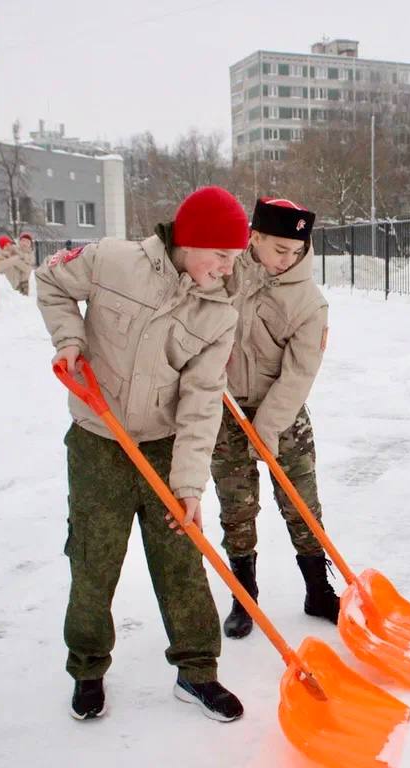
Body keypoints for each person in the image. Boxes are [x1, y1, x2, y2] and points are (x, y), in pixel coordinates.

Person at [35, 185, 249, 724]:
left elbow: (202, 402)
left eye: (235, 257)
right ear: (190, 241)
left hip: (164, 446)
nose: (229, 269)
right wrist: (69, 340)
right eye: (221, 255)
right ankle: (87, 669)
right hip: (97, 442)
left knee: (181, 559)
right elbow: (50, 280)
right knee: (94, 560)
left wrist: (189, 486)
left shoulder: (219, 313)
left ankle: (197, 671)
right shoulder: (112, 261)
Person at [208, 197, 339, 639]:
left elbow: (299, 374)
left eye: (297, 251)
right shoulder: (225, 273)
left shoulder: (309, 302)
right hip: (226, 408)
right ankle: (244, 597)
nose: (289, 259)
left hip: (283, 415)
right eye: (280, 249)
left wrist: (265, 429)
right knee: (236, 507)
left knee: (301, 505)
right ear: (254, 237)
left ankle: (318, 590)